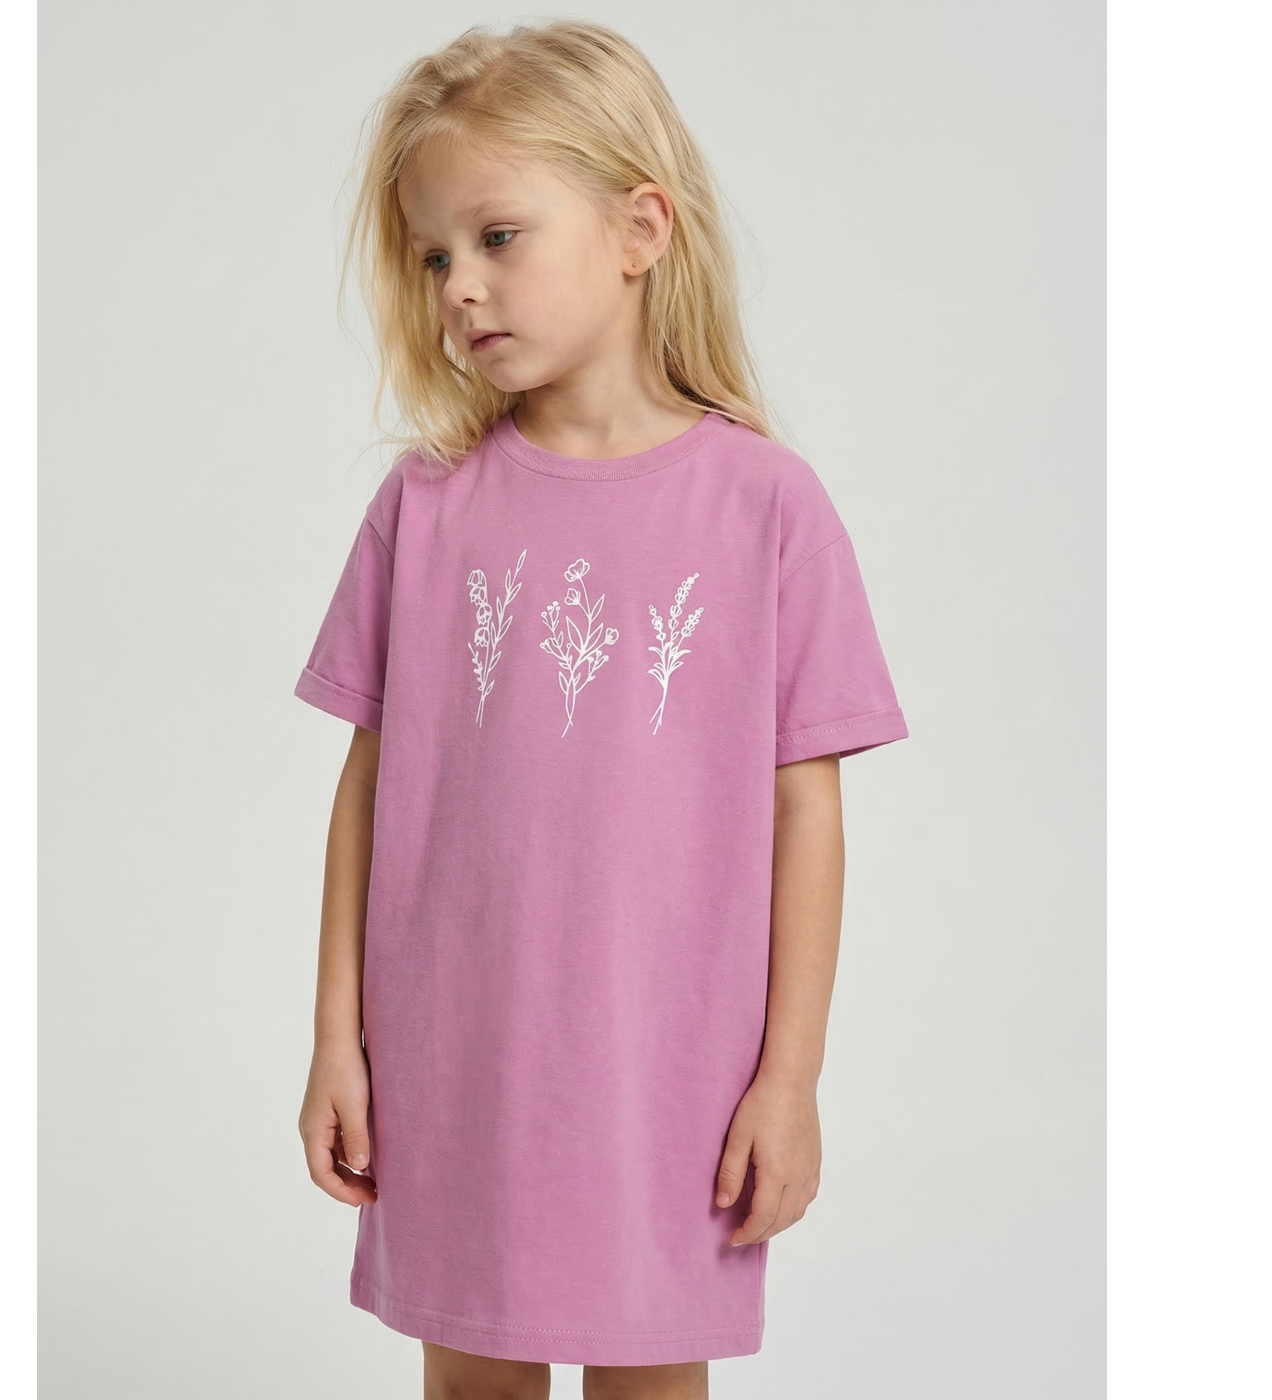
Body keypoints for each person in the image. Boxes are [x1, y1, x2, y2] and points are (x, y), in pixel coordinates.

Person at [293, 19, 908, 1400]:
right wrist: (338, 1038)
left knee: (651, 1380)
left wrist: (791, 1078)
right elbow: (369, 784)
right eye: (434, 255)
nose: (460, 285)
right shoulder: (427, 507)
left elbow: (805, 810)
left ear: (641, 228)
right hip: (458, 1056)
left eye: (498, 237)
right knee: (474, 1377)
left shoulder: (765, 509)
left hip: (669, 1074)